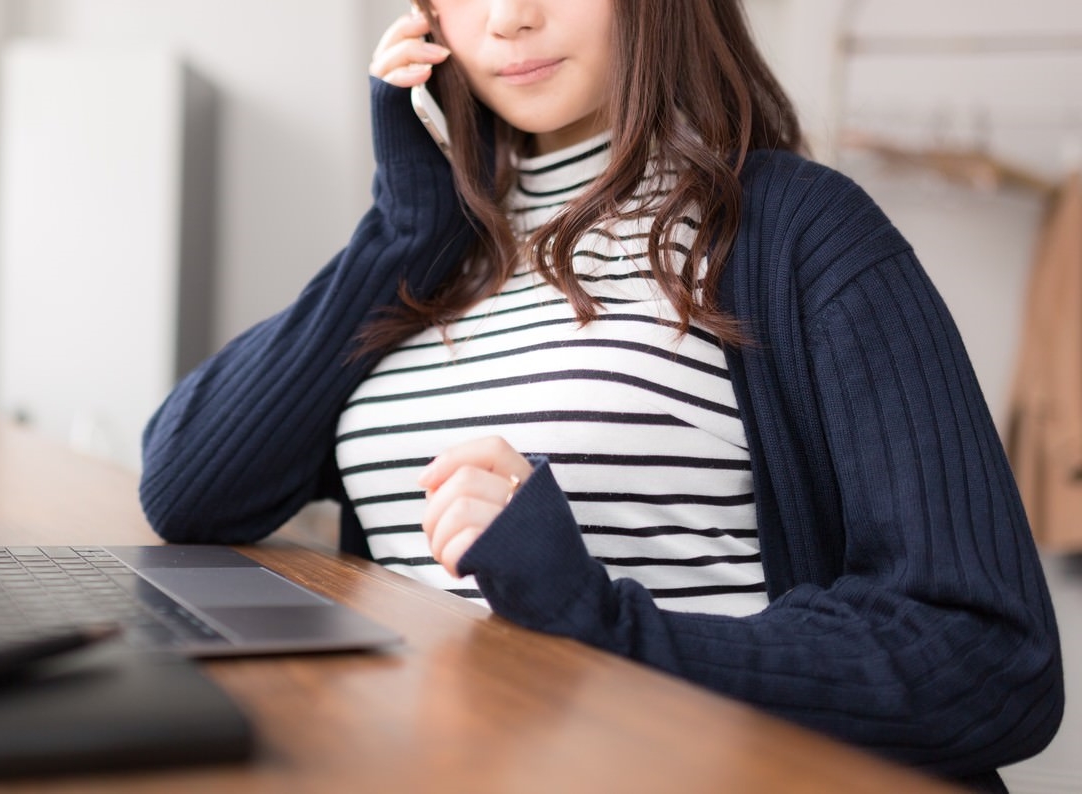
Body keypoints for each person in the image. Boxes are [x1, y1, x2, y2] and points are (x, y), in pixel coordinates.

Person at [139, 2, 1064, 790]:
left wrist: (599, 627)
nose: (508, 19)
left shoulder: (793, 230)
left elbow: (988, 658)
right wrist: (401, 231)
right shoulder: (432, 252)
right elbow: (187, 488)